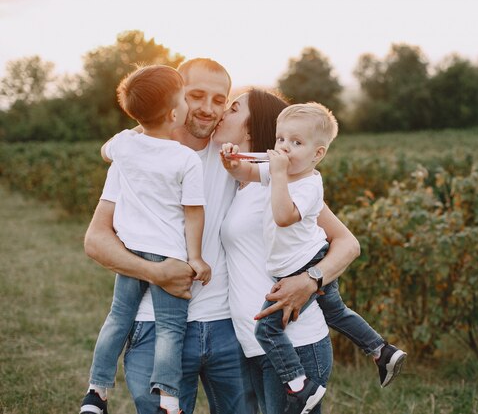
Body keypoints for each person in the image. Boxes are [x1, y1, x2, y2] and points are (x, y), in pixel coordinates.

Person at [83, 58, 360, 414]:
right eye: (196, 96)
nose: (209, 109)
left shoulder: (238, 160)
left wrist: (311, 280)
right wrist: (155, 272)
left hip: (226, 326)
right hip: (156, 322)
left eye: (221, 101)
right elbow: (96, 240)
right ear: (176, 99)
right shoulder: (138, 156)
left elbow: (344, 240)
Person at [221, 102, 408, 413]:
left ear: (317, 154)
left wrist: (278, 174)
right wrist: (231, 162)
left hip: (305, 266)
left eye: (296, 142)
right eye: (281, 140)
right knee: (336, 311)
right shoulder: (279, 173)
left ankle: (300, 386)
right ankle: (381, 350)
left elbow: (283, 216)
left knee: (267, 328)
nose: (284, 148)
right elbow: (247, 170)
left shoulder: (307, 184)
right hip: (294, 268)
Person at [80, 65, 211, 414]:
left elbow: (106, 150)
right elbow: (193, 212)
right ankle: (168, 398)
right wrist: (195, 258)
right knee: (170, 328)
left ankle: (97, 391)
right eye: (184, 98)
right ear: (174, 113)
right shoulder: (185, 158)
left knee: (118, 318)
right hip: (168, 254)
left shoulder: (125, 144)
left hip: (130, 249)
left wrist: (144, 121)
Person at [217, 89, 335, 414]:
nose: (222, 112)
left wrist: (312, 279)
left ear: (252, 129)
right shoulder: (244, 182)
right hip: (257, 343)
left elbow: (347, 243)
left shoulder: (286, 184)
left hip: (294, 340)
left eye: (232, 108)